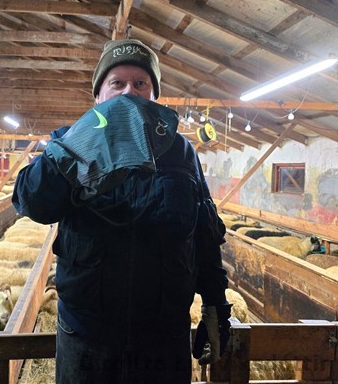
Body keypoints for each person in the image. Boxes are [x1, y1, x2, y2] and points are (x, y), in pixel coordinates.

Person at [12, 39, 231, 383]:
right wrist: (78, 143)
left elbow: (203, 231)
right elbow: (32, 202)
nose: (129, 91)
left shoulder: (179, 152)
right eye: (117, 83)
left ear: (154, 96)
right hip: (87, 336)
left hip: (163, 337)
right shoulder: (71, 142)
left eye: (140, 83)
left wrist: (216, 307)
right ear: (98, 96)